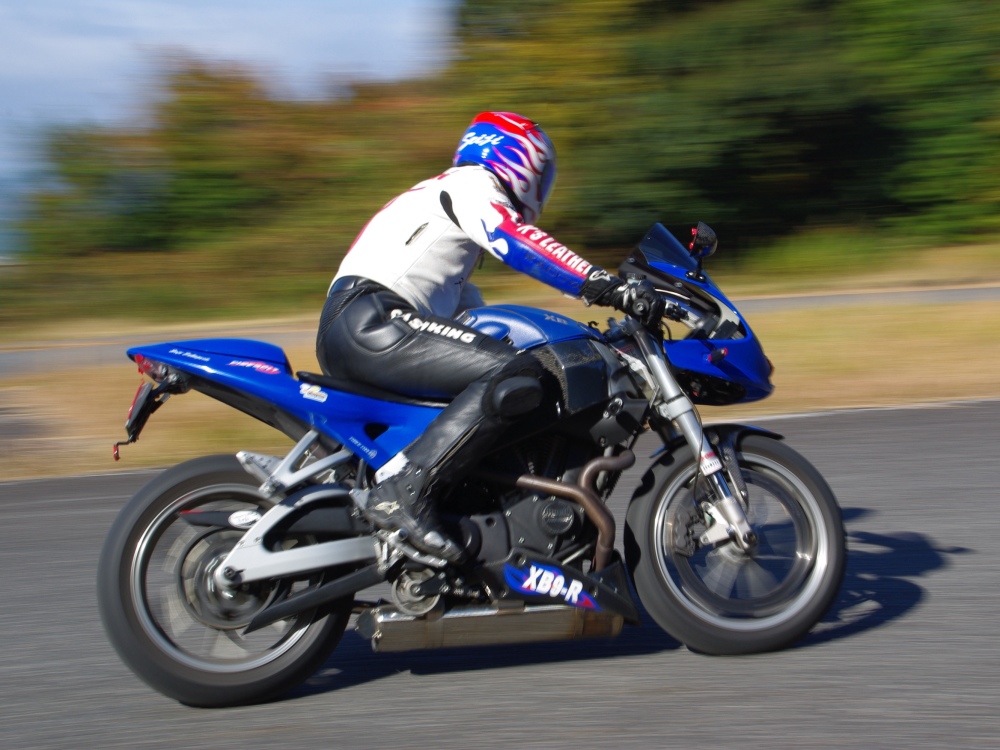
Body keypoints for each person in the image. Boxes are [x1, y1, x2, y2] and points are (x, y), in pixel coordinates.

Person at [317, 111, 663, 564]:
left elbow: (478, 321)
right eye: (542, 172)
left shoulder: (444, 221)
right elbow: (517, 240)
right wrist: (604, 286)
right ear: (517, 158)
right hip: (375, 319)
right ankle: (407, 492)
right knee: (517, 374)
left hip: (367, 322)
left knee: (508, 374)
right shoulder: (472, 186)